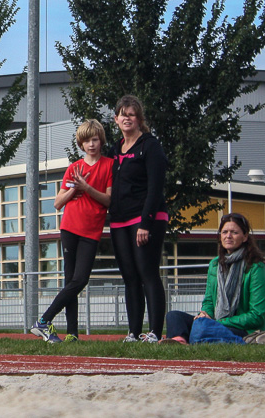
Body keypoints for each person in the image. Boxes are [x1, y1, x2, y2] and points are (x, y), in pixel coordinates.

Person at [31, 120, 113, 343]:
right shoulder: (74, 168)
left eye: (95, 139)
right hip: (70, 227)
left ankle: (44, 320)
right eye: (87, 141)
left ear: (101, 140)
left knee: (80, 279)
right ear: (81, 144)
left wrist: (86, 188)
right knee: (71, 280)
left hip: (92, 229)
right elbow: (58, 202)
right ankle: (72, 333)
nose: (91, 144)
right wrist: (75, 189)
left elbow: (108, 199)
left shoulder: (109, 165)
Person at [164, 213, 265, 344]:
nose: (228, 236)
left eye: (234, 232)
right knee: (174, 316)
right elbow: (209, 300)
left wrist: (219, 322)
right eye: (224, 232)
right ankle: (179, 341)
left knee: (204, 326)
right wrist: (206, 314)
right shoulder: (215, 265)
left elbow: (257, 316)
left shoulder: (256, 268)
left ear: (245, 237)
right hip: (216, 322)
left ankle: (197, 336)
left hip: (247, 330)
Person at [109, 95, 169, 343]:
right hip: (119, 221)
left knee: (148, 273)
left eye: (131, 114)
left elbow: (155, 188)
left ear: (139, 119)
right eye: (123, 114)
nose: (127, 118)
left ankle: (155, 331)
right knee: (129, 276)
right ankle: (133, 332)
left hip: (146, 219)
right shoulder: (114, 150)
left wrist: (146, 223)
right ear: (116, 119)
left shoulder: (150, 146)